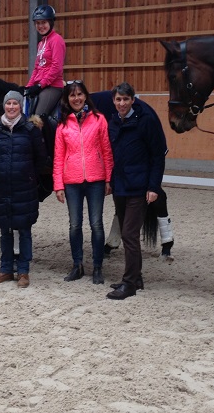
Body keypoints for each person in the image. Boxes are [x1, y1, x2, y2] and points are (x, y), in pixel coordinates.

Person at [106, 82, 167, 300]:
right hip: (120, 187)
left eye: (125, 99)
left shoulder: (146, 121)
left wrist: (153, 186)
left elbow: (157, 156)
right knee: (126, 233)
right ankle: (136, 277)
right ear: (114, 101)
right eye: (118, 99)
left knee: (129, 235)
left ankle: (129, 284)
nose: (121, 103)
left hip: (139, 188)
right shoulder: (113, 122)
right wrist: (110, 180)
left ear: (133, 100)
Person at [0, 90, 50, 289]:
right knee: (5, 230)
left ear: (20, 106)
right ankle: (5, 269)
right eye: (8, 103)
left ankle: (23, 271)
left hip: (25, 188)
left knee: (24, 230)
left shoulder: (31, 129)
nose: (11, 107)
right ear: (4, 106)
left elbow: (41, 159)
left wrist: (29, 176)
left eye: (15, 103)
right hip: (3, 187)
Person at [53, 81, 114, 285]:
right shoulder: (62, 124)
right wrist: (58, 185)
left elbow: (106, 151)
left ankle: (97, 266)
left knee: (96, 224)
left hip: (96, 179)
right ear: (67, 99)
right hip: (72, 181)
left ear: (86, 96)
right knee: (74, 225)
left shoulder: (99, 120)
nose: (76, 98)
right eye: (72, 95)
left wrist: (109, 178)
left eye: (80, 94)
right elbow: (58, 157)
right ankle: (77, 265)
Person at [24, 5, 65, 117]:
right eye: (37, 23)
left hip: (53, 87)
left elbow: (57, 67)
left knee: (37, 117)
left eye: (43, 22)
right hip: (41, 85)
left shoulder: (56, 40)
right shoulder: (41, 43)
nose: (40, 26)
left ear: (51, 22)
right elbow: (37, 68)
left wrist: (40, 85)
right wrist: (28, 86)